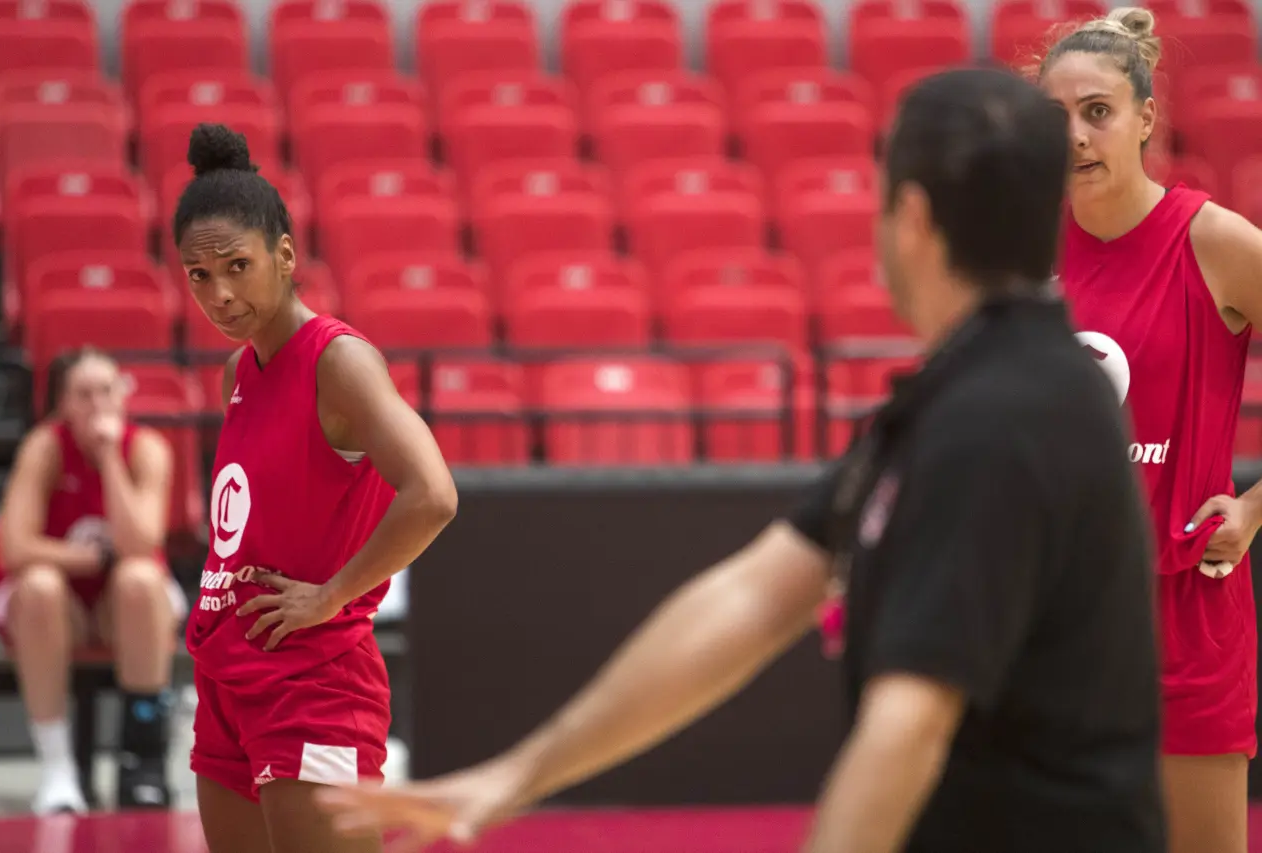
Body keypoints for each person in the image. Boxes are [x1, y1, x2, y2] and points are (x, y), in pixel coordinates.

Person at [316, 68, 1167, 853]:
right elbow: (756, 595)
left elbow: (910, 722)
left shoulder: (1003, 417)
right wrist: (516, 777)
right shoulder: (962, 390)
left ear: (911, 217)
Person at [175, 122, 457, 853]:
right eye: (199, 275)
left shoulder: (339, 361)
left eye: (237, 266)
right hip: (228, 675)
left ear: (285, 255)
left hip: (313, 679)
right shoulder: (238, 372)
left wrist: (332, 594)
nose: (219, 293)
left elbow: (433, 494)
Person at [1041, 10, 1262, 853]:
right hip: (1059, 609)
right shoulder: (1023, 255)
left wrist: (1254, 508)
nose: (1076, 135)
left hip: (1187, 610)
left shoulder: (1215, 242)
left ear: (1145, 118)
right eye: (1056, 116)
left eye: (1097, 111)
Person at [0, 347, 183, 814]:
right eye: (84, 394)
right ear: (62, 403)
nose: (98, 404)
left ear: (123, 396)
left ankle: (143, 762)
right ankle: (57, 769)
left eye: (107, 391)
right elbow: (16, 548)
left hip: (125, 606)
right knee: (39, 586)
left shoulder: (147, 449)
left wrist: (110, 458)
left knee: (140, 579)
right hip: (60, 608)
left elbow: (141, 544)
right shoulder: (43, 448)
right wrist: (91, 558)